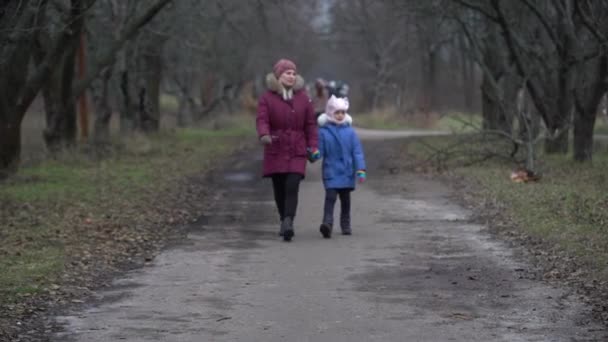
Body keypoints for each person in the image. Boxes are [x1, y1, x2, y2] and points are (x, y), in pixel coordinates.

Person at [256, 59, 319, 242]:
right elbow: (262, 120)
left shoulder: (303, 98)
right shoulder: (267, 98)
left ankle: (289, 221)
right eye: (287, 73)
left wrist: (313, 146)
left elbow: (310, 125)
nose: (291, 76)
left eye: (293, 73)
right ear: (278, 76)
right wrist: (264, 134)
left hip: (297, 148)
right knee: (279, 188)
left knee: (292, 185)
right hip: (276, 147)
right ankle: (283, 218)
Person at [316, 95, 366, 238]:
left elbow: (357, 152)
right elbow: (320, 151)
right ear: (330, 113)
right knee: (330, 198)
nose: (340, 115)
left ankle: (345, 224)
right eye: (337, 112)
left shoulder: (350, 132)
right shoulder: (324, 132)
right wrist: (314, 154)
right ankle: (327, 223)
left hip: (346, 172)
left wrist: (360, 169)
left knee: (346, 201)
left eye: (342, 112)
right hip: (331, 171)